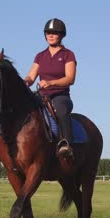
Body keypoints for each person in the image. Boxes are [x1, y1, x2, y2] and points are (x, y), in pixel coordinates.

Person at [24, 18, 77, 157]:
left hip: (60, 96)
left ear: (61, 35)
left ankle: (66, 144)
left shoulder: (68, 54)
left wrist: (51, 83)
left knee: (60, 110)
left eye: (55, 33)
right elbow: (31, 76)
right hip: (41, 96)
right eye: (48, 33)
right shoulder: (40, 56)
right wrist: (25, 81)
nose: (51, 35)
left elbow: (70, 79)